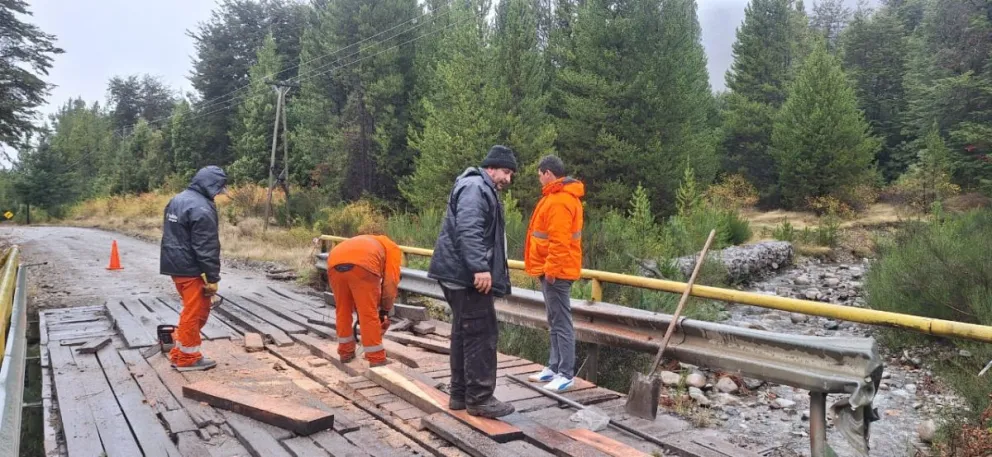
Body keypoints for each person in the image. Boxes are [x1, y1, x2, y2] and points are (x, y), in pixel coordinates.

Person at [428, 145, 517, 418]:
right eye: (505, 172)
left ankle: (460, 395)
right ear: (491, 167)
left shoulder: (477, 186)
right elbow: (469, 228)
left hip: (458, 274)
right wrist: (480, 267)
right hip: (466, 276)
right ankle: (479, 398)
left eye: (511, 174)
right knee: (481, 334)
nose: (508, 179)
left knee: (464, 332)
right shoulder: (476, 187)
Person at [524, 156, 585, 392]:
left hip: (556, 272)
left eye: (539, 174)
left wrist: (550, 270)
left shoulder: (560, 201)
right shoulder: (555, 197)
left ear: (547, 173)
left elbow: (559, 242)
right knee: (554, 320)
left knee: (561, 322)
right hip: (553, 270)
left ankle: (565, 373)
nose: (539, 178)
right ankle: (554, 367)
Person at [160, 166, 227, 372]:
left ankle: (180, 352)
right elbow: (206, 246)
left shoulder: (177, 200)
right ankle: (188, 359)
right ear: (211, 185)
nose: (219, 194)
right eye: (219, 189)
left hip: (175, 265)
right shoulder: (202, 209)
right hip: (191, 268)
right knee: (195, 312)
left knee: (192, 310)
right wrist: (212, 277)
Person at [327, 232, 402, 366]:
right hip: (363, 265)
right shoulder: (392, 249)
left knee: (342, 310)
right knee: (368, 313)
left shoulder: (366, 242)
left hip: (334, 263)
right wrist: (385, 309)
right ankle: (376, 358)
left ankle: (345, 352)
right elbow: (390, 282)